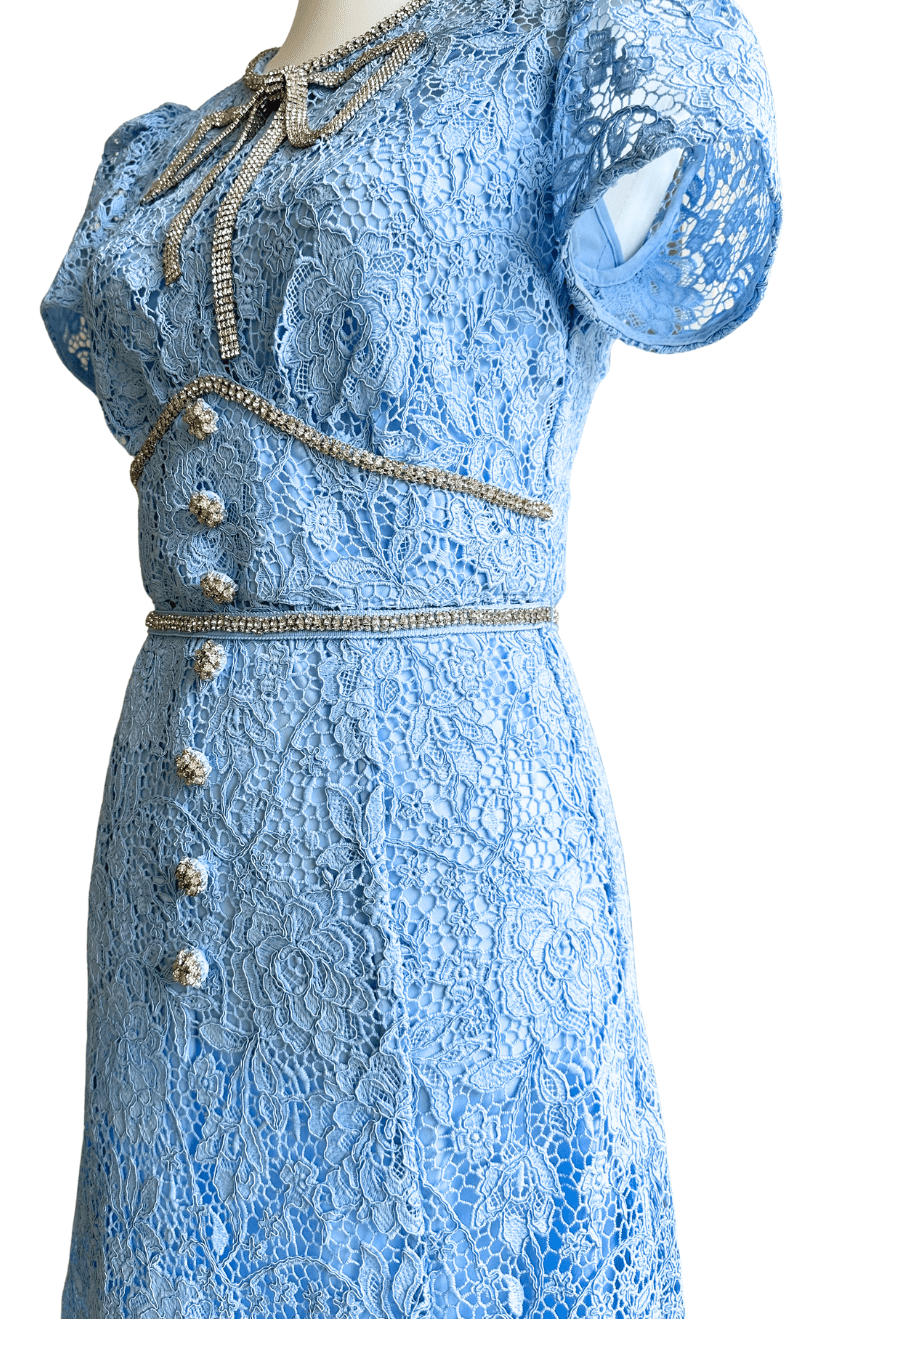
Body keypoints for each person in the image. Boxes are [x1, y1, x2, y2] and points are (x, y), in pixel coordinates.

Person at [42, 0, 780, 1319]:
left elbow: (679, 245)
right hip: (171, 864)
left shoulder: (574, 51)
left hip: (449, 837)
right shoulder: (176, 151)